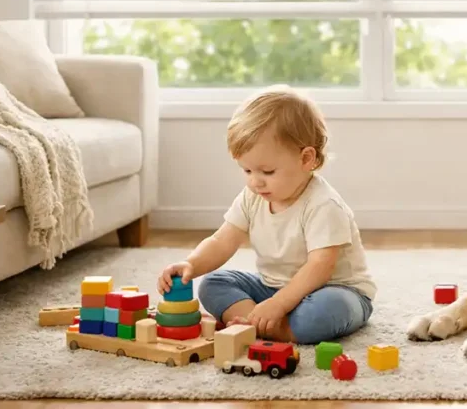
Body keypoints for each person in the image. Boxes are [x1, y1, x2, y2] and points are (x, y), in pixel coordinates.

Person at [157, 85, 376, 344]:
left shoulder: (324, 205)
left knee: (325, 311)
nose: (255, 183)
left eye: (267, 172)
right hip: (273, 287)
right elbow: (223, 240)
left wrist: (279, 304)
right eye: (247, 171)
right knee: (213, 283)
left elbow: (320, 268)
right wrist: (191, 265)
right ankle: (260, 321)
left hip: (334, 290)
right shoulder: (253, 197)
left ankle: (268, 326)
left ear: (306, 159)